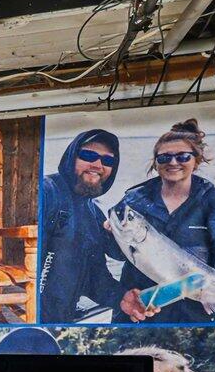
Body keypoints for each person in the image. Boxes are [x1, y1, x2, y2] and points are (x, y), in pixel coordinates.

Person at [110, 118, 215, 322]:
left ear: (196, 161)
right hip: (141, 304)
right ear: (155, 163)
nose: (173, 163)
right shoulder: (133, 200)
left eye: (183, 157)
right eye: (164, 158)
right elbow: (117, 252)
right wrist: (111, 234)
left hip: (194, 308)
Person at [38, 128, 150, 323]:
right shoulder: (45, 191)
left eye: (108, 161)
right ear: (71, 156)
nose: (98, 165)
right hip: (29, 317)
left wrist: (121, 297)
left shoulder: (94, 214)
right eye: (89, 155)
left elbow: (94, 277)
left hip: (60, 321)